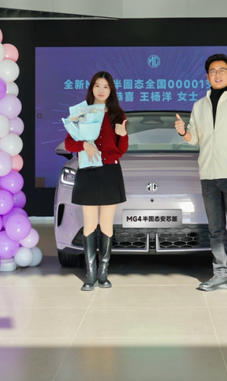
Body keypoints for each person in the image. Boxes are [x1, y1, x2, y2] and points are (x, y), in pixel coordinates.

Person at [174, 53, 227, 297]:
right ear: (207, 76)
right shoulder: (199, 106)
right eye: (213, 71)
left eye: (222, 70)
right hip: (208, 177)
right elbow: (195, 138)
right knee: (215, 229)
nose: (217, 74)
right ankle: (221, 274)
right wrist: (183, 132)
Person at [64, 71, 128, 291]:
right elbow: (69, 143)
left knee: (107, 224)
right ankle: (91, 275)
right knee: (90, 224)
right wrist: (84, 145)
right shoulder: (81, 112)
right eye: (97, 86)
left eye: (106, 87)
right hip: (88, 172)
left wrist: (123, 134)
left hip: (110, 172)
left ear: (111, 90)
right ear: (92, 88)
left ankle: (103, 274)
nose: (101, 90)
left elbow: (121, 150)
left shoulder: (118, 114)